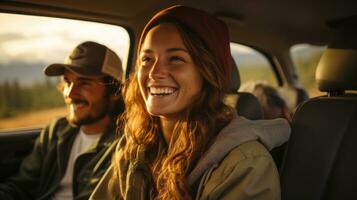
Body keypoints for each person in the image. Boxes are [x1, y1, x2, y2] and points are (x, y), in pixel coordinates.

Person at [91, 5, 290, 200]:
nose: (154, 72)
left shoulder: (246, 164)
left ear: (207, 72)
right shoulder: (134, 147)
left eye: (175, 58)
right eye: (147, 59)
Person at [0, 41, 124, 200]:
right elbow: (21, 185)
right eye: (67, 82)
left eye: (84, 83)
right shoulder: (56, 130)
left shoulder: (122, 145)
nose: (70, 94)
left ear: (115, 90)